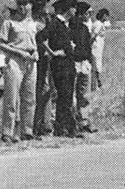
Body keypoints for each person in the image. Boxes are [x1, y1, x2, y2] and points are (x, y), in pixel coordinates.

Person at [0, 0, 39, 143]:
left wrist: (35, 53)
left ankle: (27, 131)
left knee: (29, 97)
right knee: (12, 98)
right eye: (21, 4)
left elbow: (34, 42)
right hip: (15, 60)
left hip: (31, 62)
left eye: (26, 4)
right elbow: (0, 44)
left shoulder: (32, 24)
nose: (23, 7)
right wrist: (18, 52)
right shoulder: (9, 23)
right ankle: (7, 132)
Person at [40, 0, 80, 137]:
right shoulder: (55, 23)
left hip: (69, 64)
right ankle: (64, 128)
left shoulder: (65, 24)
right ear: (68, 9)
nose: (75, 11)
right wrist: (52, 53)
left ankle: (64, 127)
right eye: (74, 8)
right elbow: (41, 37)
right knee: (64, 96)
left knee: (67, 96)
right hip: (60, 65)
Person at [71, 1, 95, 131]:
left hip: (84, 63)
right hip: (74, 63)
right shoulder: (70, 27)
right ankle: (73, 121)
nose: (88, 16)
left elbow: (88, 46)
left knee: (84, 95)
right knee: (73, 95)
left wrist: (89, 61)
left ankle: (84, 122)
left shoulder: (85, 28)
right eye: (87, 13)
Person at [32, 0, 54, 136]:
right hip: (39, 59)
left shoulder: (45, 21)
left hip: (45, 60)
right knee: (41, 90)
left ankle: (45, 123)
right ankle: (38, 124)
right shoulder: (36, 24)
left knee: (46, 91)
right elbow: (42, 39)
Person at [88, 7, 109, 90]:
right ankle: (96, 85)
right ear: (104, 16)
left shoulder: (99, 24)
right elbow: (93, 36)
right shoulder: (98, 24)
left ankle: (97, 84)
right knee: (96, 67)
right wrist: (88, 45)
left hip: (98, 48)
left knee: (97, 66)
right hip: (95, 48)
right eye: (106, 16)